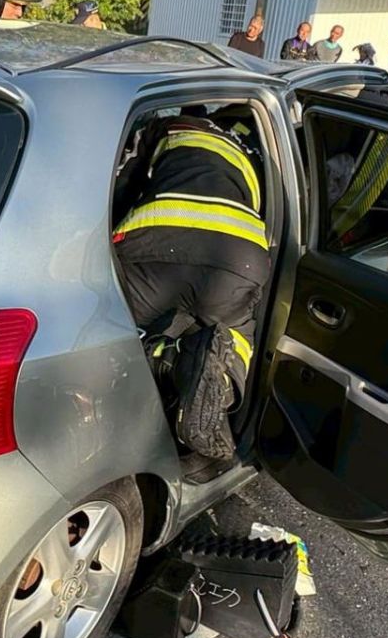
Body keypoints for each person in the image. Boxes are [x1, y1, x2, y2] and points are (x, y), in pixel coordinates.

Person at [113, 113, 270, 462]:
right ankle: (221, 384)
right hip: (239, 256)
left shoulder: (165, 128)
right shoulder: (252, 150)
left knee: (116, 326)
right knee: (237, 335)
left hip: (160, 237)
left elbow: (124, 184)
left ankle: (162, 358)